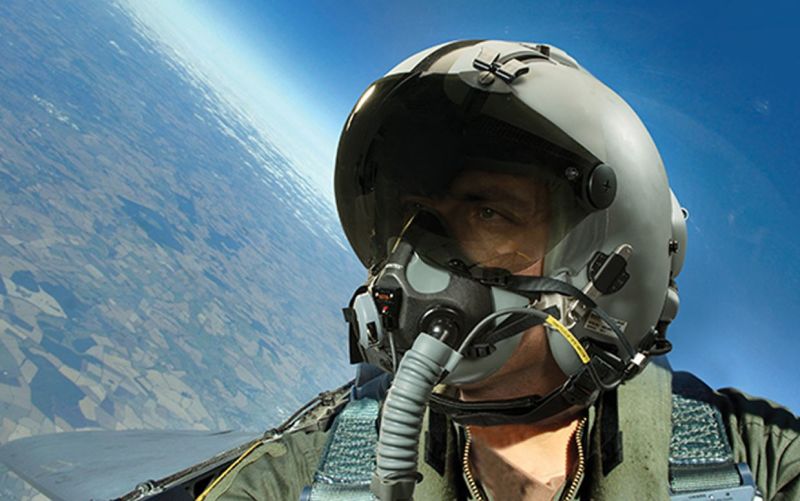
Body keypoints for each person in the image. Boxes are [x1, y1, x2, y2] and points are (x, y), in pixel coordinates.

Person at [198, 40, 800, 501]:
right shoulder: (318, 470)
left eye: (489, 213)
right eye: (417, 216)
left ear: (604, 276)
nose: (417, 259)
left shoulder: (756, 462)